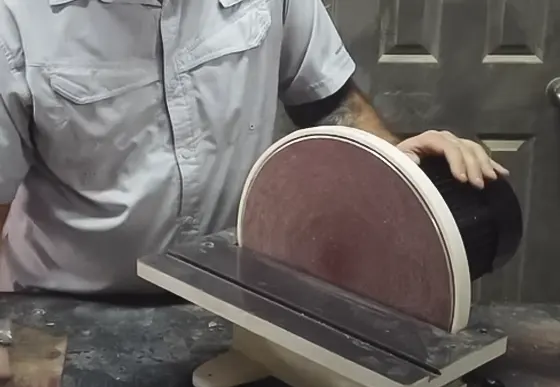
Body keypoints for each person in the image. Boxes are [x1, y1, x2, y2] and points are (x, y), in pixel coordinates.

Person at [0, 0, 508, 295]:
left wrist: (401, 167)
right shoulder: (17, 16)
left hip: (235, 299)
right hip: (64, 307)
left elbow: (328, 101)